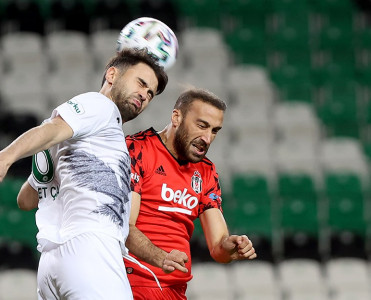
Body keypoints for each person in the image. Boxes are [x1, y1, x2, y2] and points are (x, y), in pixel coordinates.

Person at [0, 47, 183, 300]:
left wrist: (161, 257)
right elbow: (52, 129)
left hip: (52, 265)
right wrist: (6, 156)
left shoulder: (88, 140)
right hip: (91, 251)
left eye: (151, 93)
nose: (144, 95)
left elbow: (25, 200)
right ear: (111, 75)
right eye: (141, 83)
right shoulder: (100, 107)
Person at [124, 88, 257, 299]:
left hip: (176, 290)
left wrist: (232, 247)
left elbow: (217, 247)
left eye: (215, 130)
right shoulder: (136, 150)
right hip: (133, 285)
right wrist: (161, 257)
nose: (207, 138)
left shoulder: (206, 171)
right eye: (202, 125)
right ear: (176, 117)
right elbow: (124, 228)